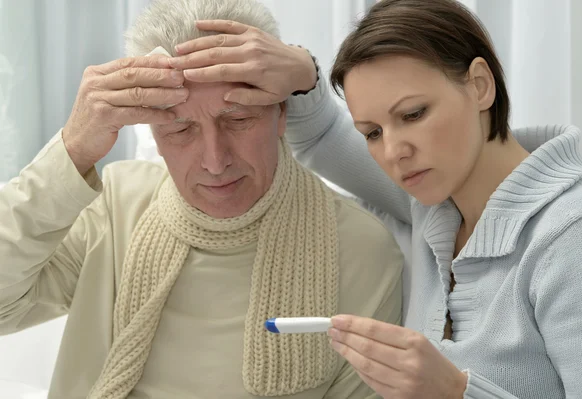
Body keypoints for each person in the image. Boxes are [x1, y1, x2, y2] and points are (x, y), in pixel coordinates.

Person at [166, 0, 582, 397]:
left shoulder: (577, 240)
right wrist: (299, 71)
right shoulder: (434, 203)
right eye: (372, 132)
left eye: (413, 114)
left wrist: (453, 392)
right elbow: (322, 136)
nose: (393, 153)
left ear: (480, 85)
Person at [0, 0, 405, 398]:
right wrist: (72, 151)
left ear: (282, 113)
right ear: (152, 133)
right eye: (180, 130)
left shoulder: (361, 251)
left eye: (238, 120)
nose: (215, 161)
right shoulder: (116, 205)